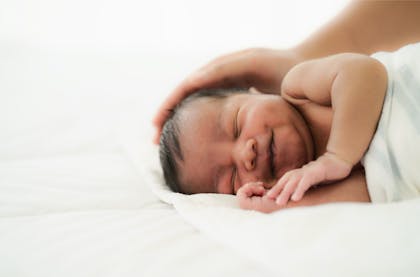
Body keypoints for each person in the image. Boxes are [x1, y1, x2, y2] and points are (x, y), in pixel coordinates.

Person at [155, 1, 420, 212]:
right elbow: (374, 194)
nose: (245, 153)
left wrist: (338, 156)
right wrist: (283, 204)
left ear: (256, 92)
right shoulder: (330, 179)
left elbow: (365, 73)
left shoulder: (300, 90)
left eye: (236, 125)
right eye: (232, 178)